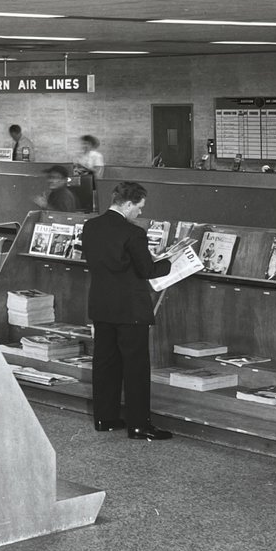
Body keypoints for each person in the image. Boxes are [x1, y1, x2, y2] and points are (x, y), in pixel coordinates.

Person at [80, 181, 174, 441]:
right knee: (135, 368)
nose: (140, 213)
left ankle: (105, 418)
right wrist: (170, 261)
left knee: (105, 363)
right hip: (130, 308)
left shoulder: (91, 227)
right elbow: (147, 271)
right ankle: (138, 425)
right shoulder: (133, 233)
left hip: (101, 305)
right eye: (139, 207)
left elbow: (109, 261)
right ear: (129, 204)